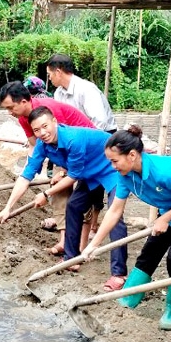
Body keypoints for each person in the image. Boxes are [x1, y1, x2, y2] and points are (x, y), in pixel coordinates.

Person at [82, 125, 171, 330]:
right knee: (150, 251)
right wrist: (93, 244)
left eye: (114, 161)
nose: (112, 167)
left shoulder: (164, 171)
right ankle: (129, 298)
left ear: (131, 155)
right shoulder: (125, 176)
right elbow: (114, 211)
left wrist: (165, 218)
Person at [0, 106, 128, 291]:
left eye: (45, 126)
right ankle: (71, 258)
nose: (42, 133)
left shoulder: (74, 139)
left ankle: (119, 274)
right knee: (73, 206)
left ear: (55, 122)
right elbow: (26, 176)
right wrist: (8, 207)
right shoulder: (43, 145)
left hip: (110, 168)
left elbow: (73, 176)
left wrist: (45, 194)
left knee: (115, 217)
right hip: (88, 172)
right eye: (36, 130)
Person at [0, 81, 95, 256]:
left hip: (87, 153)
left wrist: (63, 172)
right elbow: (36, 146)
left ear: (24, 102)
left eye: (11, 107)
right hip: (63, 154)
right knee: (58, 190)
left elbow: (67, 138)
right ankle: (65, 241)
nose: (9, 113)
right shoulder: (23, 118)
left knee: (80, 196)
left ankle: (81, 245)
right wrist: (8, 207)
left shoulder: (47, 111)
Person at [47, 53, 118, 239]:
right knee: (78, 182)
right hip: (73, 142)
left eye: (50, 74)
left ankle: (94, 223)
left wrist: (87, 148)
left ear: (59, 71)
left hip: (100, 139)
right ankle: (77, 227)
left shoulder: (87, 89)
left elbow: (99, 122)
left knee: (94, 183)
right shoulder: (58, 93)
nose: (49, 78)